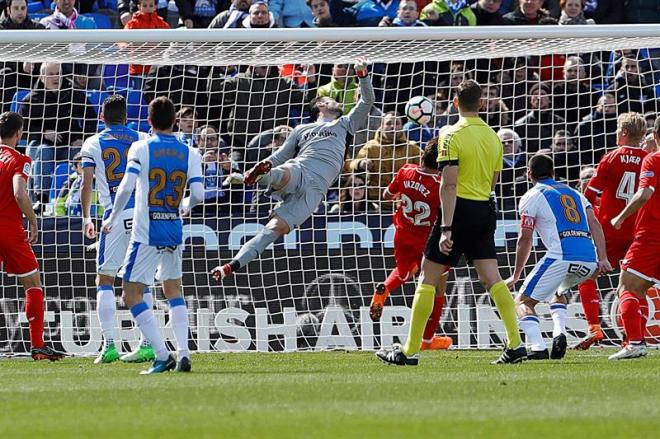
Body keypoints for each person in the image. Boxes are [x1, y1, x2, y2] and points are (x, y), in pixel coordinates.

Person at [376, 80, 525, 366]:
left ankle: (409, 351)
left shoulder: (450, 135)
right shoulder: (495, 138)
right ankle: (516, 344)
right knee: (492, 278)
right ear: (481, 103)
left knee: (427, 279)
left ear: (455, 103)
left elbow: (448, 184)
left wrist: (446, 227)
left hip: (458, 212)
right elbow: (494, 180)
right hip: (485, 209)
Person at [210, 59, 374, 281]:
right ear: (321, 106)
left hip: (316, 191)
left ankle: (230, 266)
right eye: (329, 99)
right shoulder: (301, 129)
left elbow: (367, 101)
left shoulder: (345, 124)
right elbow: (279, 156)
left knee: (272, 230)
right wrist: (265, 165)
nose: (334, 101)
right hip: (302, 168)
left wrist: (362, 75)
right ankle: (258, 176)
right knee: (283, 171)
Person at [101, 97, 204, 374]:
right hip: (173, 228)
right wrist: (184, 206)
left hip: (146, 231)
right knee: (174, 291)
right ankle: (184, 353)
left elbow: (125, 187)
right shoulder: (190, 152)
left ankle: (162, 354)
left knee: (131, 293)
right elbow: (199, 195)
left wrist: (111, 217)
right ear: (174, 121)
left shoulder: (141, 147)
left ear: (148, 122)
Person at [505, 154, 611, 360]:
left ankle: (537, 347)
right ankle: (559, 332)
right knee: (557, 290)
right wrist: (603, 258)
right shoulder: (576, 193)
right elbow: (595, 224)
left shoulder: (531, 196)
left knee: (522, 301)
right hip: (589, 259)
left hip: (562, 256)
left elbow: (525, 238)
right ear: (553, 173)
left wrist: (516, 274)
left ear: (529, 175)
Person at [80, 95, 156, 364]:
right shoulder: (142, 137)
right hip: (142, 215)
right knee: (141, 280)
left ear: (102, 118)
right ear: (126, 117)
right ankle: (148, 344)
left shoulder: (92, 142)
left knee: (105, 280)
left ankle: (109, 345)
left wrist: (87, 217)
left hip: (113, 216)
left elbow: (86, 184)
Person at [575, 112, 650, 350]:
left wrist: (591, 217)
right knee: (638, 285)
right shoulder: (649, 158)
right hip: (639, 230)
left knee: (587, 276)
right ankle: (634, 339)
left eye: (618, 130)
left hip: (609, 229)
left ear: (624, 133)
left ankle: (594, 328)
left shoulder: (610, 158)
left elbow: (589, 194)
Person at [369, 139, 452, 350]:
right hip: (429, 240)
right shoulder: (441, 184)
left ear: (422, 155)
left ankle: (385, 288)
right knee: (437, 289)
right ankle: (426, 340)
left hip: (403, 233)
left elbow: (387, 195)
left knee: (404, 271)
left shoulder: (406, 170)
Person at [0, 111, 65, 361]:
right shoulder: (20, 159)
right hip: (9, 230)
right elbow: (19, 192)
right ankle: (38, 346)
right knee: (33, 284)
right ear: (19, 133)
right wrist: (34, 220)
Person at [608, 117, 660, 360]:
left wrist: (620, 216)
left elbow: (644, 193)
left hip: (651, 234)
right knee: (641, 287)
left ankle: (636, 343)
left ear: (655, 136)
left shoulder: (653, 159)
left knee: (627, 287)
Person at [349, 112, 422, 210]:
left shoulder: (412, 147)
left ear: (402, 127)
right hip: (375, 202)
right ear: (381, 126)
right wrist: (361, 163)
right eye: (388, 123)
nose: (393, 126)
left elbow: (426, 166)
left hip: (404, 202)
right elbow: (352, 164)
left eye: (397, 123)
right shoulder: (371, 146)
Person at [124, 0, 170, 90]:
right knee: (138, 94)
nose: (148, 8)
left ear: (155, 6)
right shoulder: (133, 23)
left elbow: (170, 38)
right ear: (139, 6)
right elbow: (122, 37)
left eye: (151, 5)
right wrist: (124, 45)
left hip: (156, 68)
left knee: (154, 93)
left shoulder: (161, 23)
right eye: (145, 5)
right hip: (138, 68)